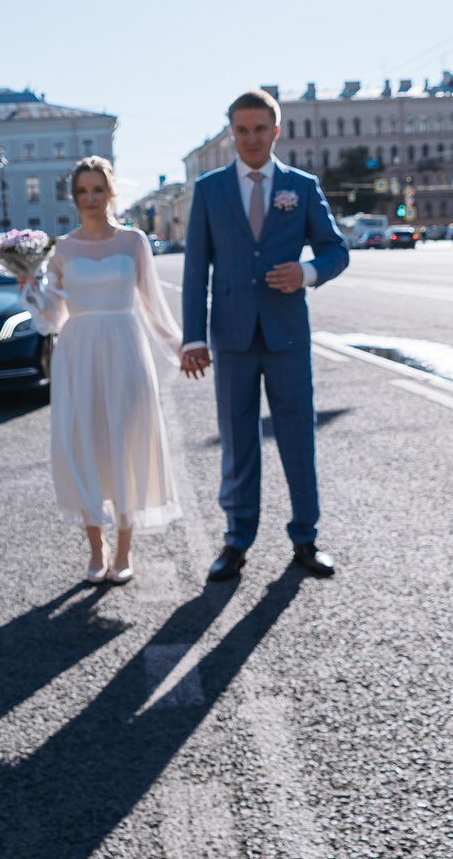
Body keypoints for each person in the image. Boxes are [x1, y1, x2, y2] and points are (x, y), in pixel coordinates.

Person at [180, 90, 350, 581]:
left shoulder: (301, 185)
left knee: (298, 437)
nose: (251, 139)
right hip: (231, 336)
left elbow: (335, 250)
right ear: (230, 133)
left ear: (276, 131)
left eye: (260, 129)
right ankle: (236, 541)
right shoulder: (210, 190)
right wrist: (194, 337)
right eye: (241, 130)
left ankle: (305, 538)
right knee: (237, 442)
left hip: (287, 335)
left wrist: (307, 272)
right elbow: (196, 272)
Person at [20, 158, 185, 582]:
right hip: (78, 354)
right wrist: (30, 291)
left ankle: (125, 549)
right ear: (73, 198)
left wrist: (182, 349)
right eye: (82, 192)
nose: (90, 199)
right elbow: (52, 319)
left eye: (98, 190)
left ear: (111, 192)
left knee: (126, 441)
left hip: (126, 351)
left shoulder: (133, 241)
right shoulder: (60, 249)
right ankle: (96, 549)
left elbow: (153, 305)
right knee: (84, 445)